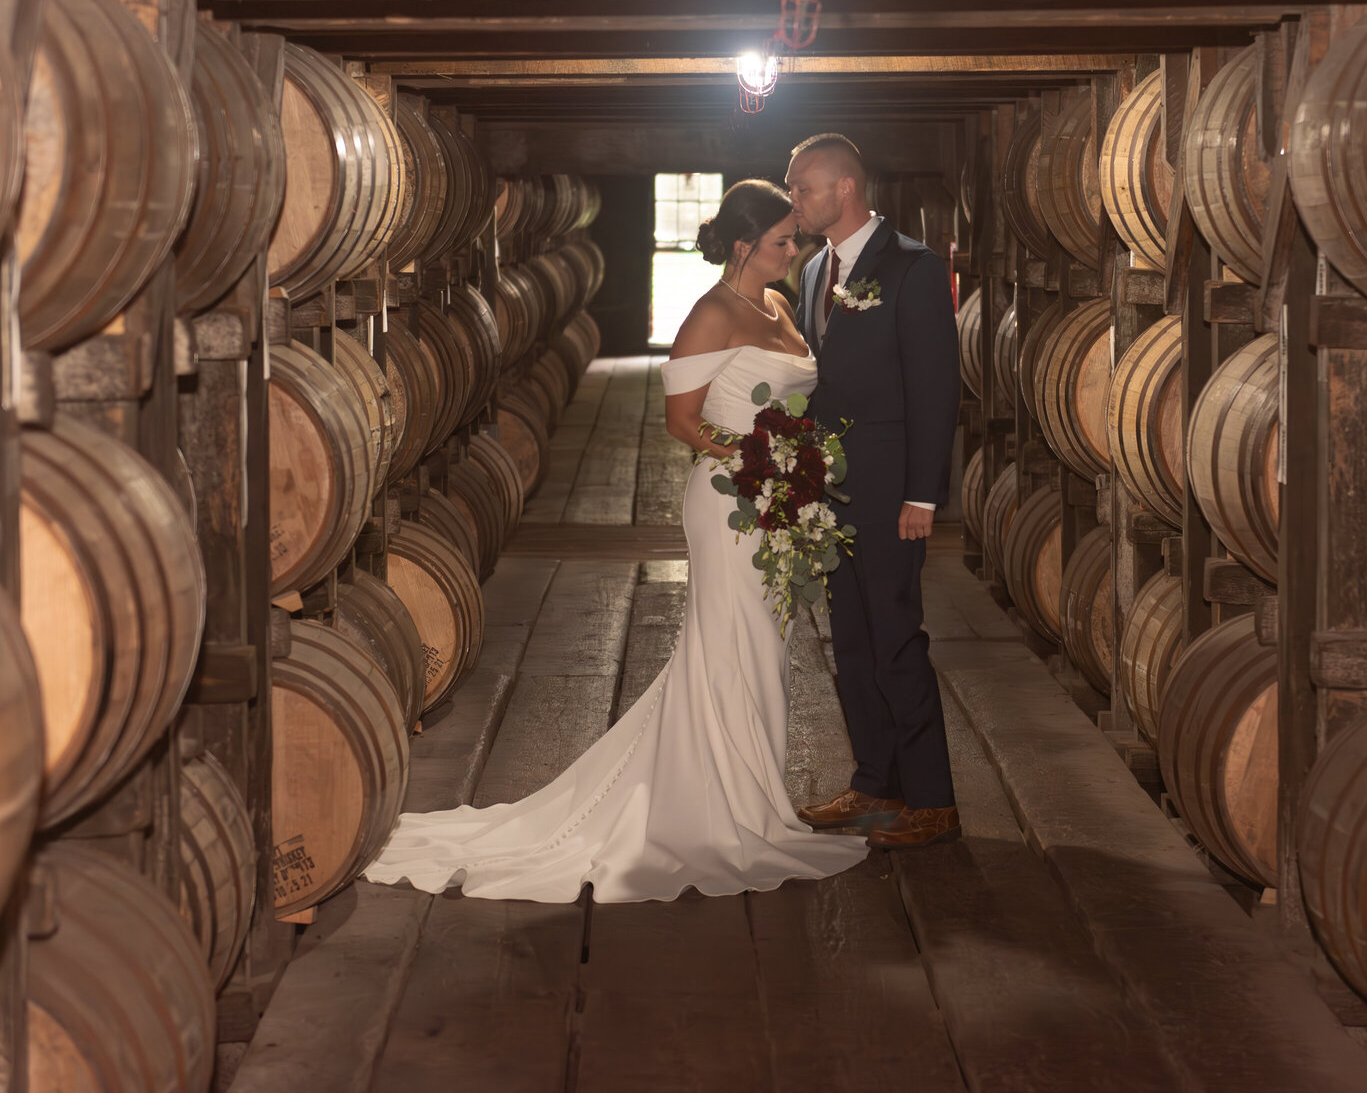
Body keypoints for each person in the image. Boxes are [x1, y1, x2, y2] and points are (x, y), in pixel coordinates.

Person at [362, 179, 868, 901]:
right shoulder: (709, 314)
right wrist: (764, 459)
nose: (794, 250)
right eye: (782, 240)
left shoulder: (779, 304)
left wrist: (792, 468)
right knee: (732, 643)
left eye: (793, 239)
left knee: (767, 647)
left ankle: (753, 798)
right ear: (741, 246)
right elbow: (684, 424)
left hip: (776, 500)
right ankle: (724, 809)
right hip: (729, 500)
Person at [786, 134, 962, 850]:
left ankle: (933, 799)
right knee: (850, 643)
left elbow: (936, 387)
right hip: (832, 490)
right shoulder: (813, 269)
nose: (793, 200)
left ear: (846, 189)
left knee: (895, 639)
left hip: (892, 491)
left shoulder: (913, 268)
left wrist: (923, 494)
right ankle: (873, 784)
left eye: (802, 188)